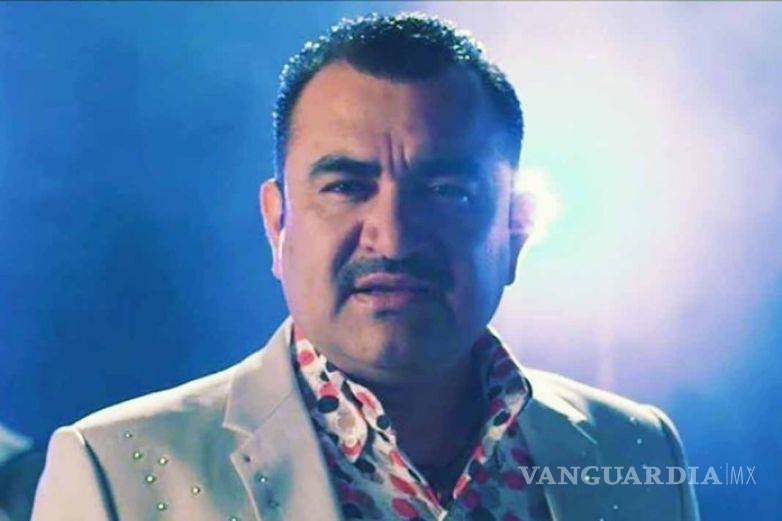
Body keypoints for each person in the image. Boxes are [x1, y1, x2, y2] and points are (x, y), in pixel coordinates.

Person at [32, 13, 699, 521]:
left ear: (515, 230)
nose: (394, 235)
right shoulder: (116, 471)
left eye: (446, 190)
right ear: (277, 223)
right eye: (347, 186)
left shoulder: (637, 449)